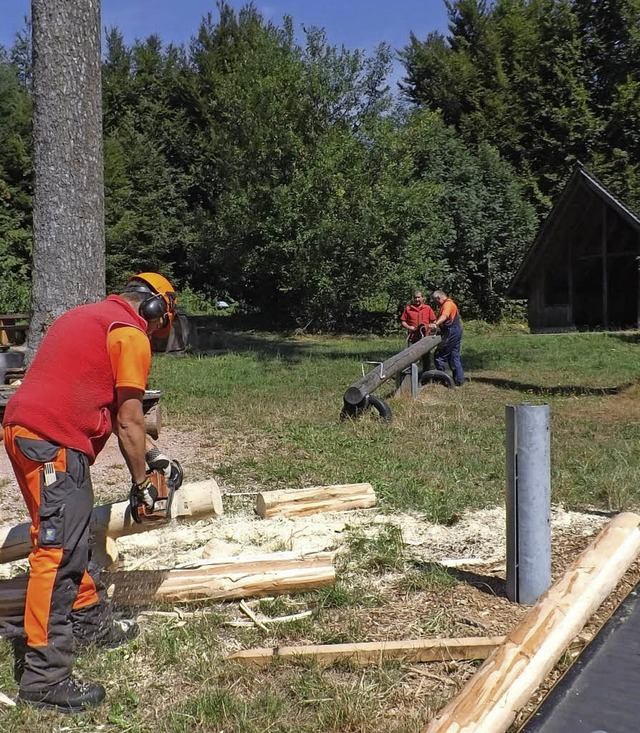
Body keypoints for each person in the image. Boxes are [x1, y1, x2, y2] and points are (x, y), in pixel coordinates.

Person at [2, 272, 178, 713]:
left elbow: (100, 402)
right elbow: (129, 421)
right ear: (155, 310)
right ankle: (44, 677)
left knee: (71, 537)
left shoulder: (86, 317)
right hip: (52, 443)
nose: (154, 335)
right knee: (57, 551)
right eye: (158, 327)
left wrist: (153, 457)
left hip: (33, 433)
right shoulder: (130, 334)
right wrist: (142, 484)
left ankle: (86, 621)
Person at [430, 290, 465, 386]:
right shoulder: (449, 303)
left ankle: (443, 379)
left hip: (451, 331)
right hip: (456, 330)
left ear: (438, 298)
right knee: (454, 356)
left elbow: (445, 316)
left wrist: (435, 324)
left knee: (439, 356)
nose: (435, 303)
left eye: (435, 301)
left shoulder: (448, 305)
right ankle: (459, 380)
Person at [399, 290, 437, 371]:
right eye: (415, 298)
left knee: (426, 358)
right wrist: (409, 327)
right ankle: (410, 374)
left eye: (419, 297)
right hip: (413, 337)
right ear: (413, 298)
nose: (417, 299)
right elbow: (403, 321)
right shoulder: (408, 309)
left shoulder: (427, 308)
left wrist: (431, 327)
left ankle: (426, 375)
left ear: (422, 298)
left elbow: (433, 321)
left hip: (425, 337)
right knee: (410, 357)